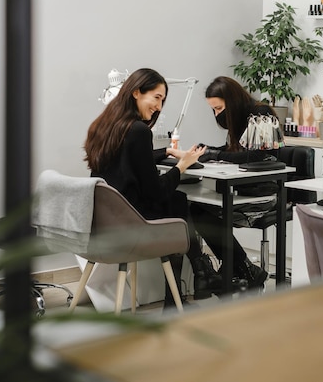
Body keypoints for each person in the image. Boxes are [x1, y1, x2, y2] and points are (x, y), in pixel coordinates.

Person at [84, 68, 222, 308]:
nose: (159, 107)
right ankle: (190, 280)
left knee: (174, 202)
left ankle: (197, 272)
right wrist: (182, 165)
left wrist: (166, 151)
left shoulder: (104, 125)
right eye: (157, 98)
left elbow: (126, 159)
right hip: (131, 226)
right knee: (175, 201)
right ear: (136, 92)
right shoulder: (138, 130)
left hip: (103, 223)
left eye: (162, 101)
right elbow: (156, 192)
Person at [190, 76, 282, 289]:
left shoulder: (262, 114)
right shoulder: (240, 118)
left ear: (232, 101)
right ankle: (244, 268)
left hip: (263, 195)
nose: (217, 114)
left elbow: (259, 155)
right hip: (241, 191)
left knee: (205, 214)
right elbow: (235, 153)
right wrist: (209, 150)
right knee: (196, 210)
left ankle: (242, 268)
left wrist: (216, 155)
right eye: (213, 110)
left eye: (219, 108)